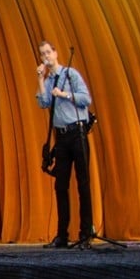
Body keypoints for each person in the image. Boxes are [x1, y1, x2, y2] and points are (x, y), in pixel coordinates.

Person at [36, 40, 94, 249]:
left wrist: (64, 95)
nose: (46, 57)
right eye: (42, 55)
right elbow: (43, 102)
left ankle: (86, 234)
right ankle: (62, 235)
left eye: (48, 53)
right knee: (60, 186)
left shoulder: (70, 74)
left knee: (83, 184)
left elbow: (86, 99)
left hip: (77, 133)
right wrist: (41, 79)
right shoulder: (48, 80)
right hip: (60, 138)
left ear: (55, 52)